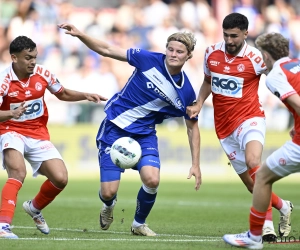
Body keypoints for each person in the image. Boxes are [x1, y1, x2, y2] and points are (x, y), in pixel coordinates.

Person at [58, 23, 202, 236]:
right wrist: (80, 35)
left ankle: (138, 223)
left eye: (179, 51)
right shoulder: (147, 59)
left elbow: (192, 127)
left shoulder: (186, 92)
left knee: (152, 179)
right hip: (115, 127)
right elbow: (107, 50)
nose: (173, 54)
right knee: (109, 192)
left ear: (188, 56)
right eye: (170, 49)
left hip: (144, 134)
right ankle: (108, 205)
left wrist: (195, 164)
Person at [186, 12, 293, 241]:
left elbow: (279, 78)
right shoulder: (211, 52)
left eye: (234, 36)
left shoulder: (256, 58)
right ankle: (283, 205)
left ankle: (265, 227)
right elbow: (208, 81)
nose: (229, 40)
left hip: (250, 118)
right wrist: (198, 103)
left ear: (245, 33)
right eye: (226, 35)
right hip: (224, 127)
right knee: (252, 185)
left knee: (254, 162)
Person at [0, 36, 107, 239]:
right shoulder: (3, 80)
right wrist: (10, 114)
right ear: (14, 58)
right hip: (10, 129)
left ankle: (34, 207)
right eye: (27, 58)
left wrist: (86, 95)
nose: (33, 62)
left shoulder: (43, 73)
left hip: (37, 133)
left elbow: (62, 93)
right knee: (17, 172)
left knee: (60, 178)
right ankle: (3, 226)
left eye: (35, 57)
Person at [223, 32, 300, 249]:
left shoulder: (276, 75)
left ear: (265, 54)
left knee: (262, 177)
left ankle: (254, 237)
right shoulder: (297, 64)